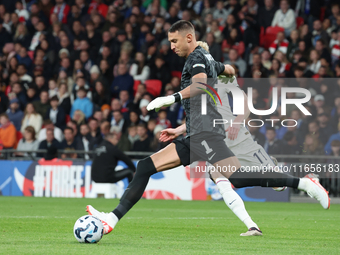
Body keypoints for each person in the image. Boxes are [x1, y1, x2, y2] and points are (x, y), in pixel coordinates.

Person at [86, 21, 329, 238]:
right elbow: (229, 70)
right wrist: (180, 129)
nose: (171, 46)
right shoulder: (208, 60)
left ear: (188, 38)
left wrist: (170, 99)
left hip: (206, 135)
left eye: (174, 41)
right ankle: (111, 219)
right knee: (145, 166)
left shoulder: (196, 59)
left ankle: (305, 184)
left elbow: (200, 85)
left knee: (238, 178)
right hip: (194, 134)